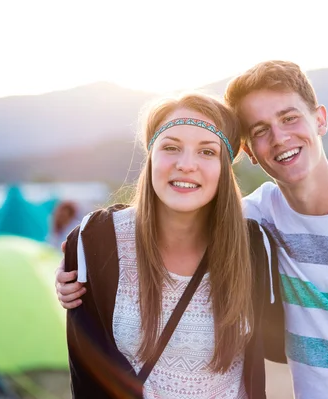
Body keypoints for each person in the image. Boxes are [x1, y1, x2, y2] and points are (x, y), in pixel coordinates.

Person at [58, 61, 328, 399]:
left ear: (320, 120)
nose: (279, 138)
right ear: (249, 153)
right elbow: (184, 205)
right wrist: (84, 254)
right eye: (260, 131)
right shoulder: (258, 218)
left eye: (290, 118)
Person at [59, 92, 284, 399]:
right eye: (171, 147)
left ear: (224, 168)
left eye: (207, 152)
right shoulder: (97, 240)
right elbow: (87, 376)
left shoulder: (254, 246)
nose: (186, 164)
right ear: (151, 155)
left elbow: (279, 351)